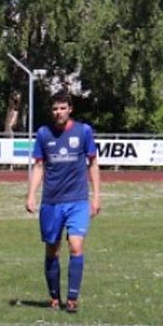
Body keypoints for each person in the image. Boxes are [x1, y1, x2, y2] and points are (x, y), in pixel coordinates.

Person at [25, 91, 101, 313]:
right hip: (51, 201)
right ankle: (54, 298)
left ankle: (73, 299)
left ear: (70, 109)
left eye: (62, 108)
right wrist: (31, 194)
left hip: (77, 200)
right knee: (52, 249)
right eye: (55, 109)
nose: (58, 112)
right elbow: (39, 166)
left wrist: (96, 196)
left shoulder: (83, 131)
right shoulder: (43, 134)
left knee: (76, 246)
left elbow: (93, 163)